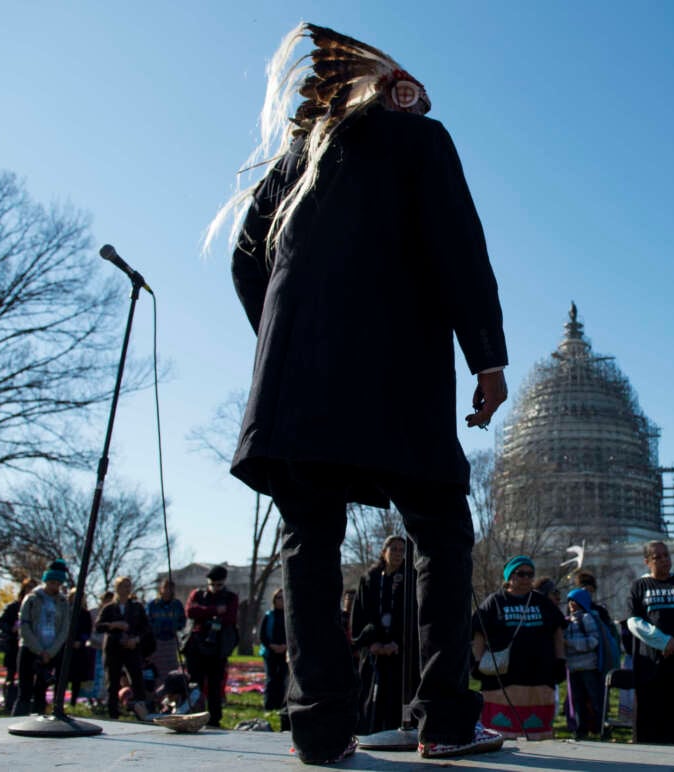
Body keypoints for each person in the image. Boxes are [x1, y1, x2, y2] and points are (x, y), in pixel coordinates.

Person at [214, 22, 508, 765]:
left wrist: (285, 343)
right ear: (386, 88)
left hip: (298, 386)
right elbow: (458, 249)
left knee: (307, 535)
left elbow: (246, 266)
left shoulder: (293, 163)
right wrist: (488, 359)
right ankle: (443, 718)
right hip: (394, 374)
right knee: (439, 526)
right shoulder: (420, 143)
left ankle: (318, 727)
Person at [472, 556, 566, 741]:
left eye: (530, 574)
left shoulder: (542, 602)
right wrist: (476, 661)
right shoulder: (495, 602)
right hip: (503, 678)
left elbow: (557, 632)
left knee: (538, 734)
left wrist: (560, 661)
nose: (526, 579)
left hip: (539, 676)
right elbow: (478, 633)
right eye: (521, 574)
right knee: (501, 732)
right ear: (509, 577)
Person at [626, 541, 674, 744]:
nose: (664, 560)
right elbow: (634, 622)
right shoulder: (639, 586)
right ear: (646, 562)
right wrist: (663, 642)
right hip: (650, 666)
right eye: (657, 557)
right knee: (651, 726)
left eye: (666, 555)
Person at [351, 535, 418, 734]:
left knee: (398, 698)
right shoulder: (370, 578)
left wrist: (398, 643)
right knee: (370, 697)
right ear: (384, 551)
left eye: (401, 550)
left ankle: (401, 732)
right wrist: (371, 643)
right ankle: (368, 733)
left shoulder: (411, 578)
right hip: (373, 652)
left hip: (401, 654)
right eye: (394, 549)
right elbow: (360, 615)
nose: (398, 554)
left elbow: (415, 616)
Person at [12, 560, 70, 716]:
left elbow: (64, 629)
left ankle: (39, 717)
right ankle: (18, 718)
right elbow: (24, 626)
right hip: (30, 648)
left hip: (52, 650)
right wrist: (38, 650)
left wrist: (51, 651)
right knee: (24, 691)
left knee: (41, 690)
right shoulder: (31, 599)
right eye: (52, 582)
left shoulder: (63, 602)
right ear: (46, 581)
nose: (54, 586)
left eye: (58, 583)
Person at [183, 565, 238, 728]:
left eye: (219, 585)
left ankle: (214, 718)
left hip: (218, 647)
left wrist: (206, 612)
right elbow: (190, 611)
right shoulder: (198, 594)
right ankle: (194, 714)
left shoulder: (230, 597)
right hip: (196, 645)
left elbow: (230, 617)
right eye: (212, 584)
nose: (215, 588)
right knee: (195, 684)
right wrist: (214, 610)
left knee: (215, 684)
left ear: (224, 583)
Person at [96, 576, 151, 720]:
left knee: (137, 680)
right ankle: (113, 713)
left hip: (131, 648)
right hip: (113, 648)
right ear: (117, 588)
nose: (127, 589)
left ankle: (141, 713)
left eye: (129, 586)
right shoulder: (109, 608)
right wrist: (114, 625)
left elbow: (146, 628)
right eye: (123, 586)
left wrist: (136, 639)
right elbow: (98, 626)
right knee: (113, 682)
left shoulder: (136, 607)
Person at [562, 587, 603, 739]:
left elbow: (593, 641)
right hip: (573, 668)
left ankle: (599, 727)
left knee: (594, 699)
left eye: (575, 600)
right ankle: (580, 729)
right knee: (577, 700)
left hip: (587, 666)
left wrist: (570, 643)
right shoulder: (567, 621)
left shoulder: (587, 618)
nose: (572, 604)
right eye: (569, 601)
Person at [0, 577, 38, 712]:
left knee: (29, 677)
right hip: (13, 646)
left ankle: (27, 703)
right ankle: (8, 701)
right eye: (28, 588)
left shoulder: (38, 609)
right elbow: (0, 622)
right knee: (11, 675)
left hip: (31, 647)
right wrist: (11, 629)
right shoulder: (14, 607)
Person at [258, 588, 289, 721]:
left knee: (284, 679)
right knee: (271, 679)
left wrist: (285, 646)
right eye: (278, 598)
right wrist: (272, 646)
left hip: (285, 651)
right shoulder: (269, 615)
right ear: (274, 600)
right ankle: (269, 706)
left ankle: (282, 706)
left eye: (283, 598)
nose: (281, 601)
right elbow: (262, 634)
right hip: (270, 652)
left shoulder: (289, 616)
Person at [146, 579, 186, 680]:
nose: (168, 591)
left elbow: (183, 621)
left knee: (171, 667)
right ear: (161, 589)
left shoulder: (177, 605)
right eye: (166, 588)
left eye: (171, 588)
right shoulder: (152, 605)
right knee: (157, 667)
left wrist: (174, 626)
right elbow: (147, 621)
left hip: (171, 640)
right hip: (157, 641)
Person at [66, 587, 95, 706]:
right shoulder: (66, 611)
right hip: (66, 647)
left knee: (77, 677)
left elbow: (87, 631)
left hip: (80, 649)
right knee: (63, 675)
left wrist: (80, 642)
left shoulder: (85, 614)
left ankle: (73, 702)